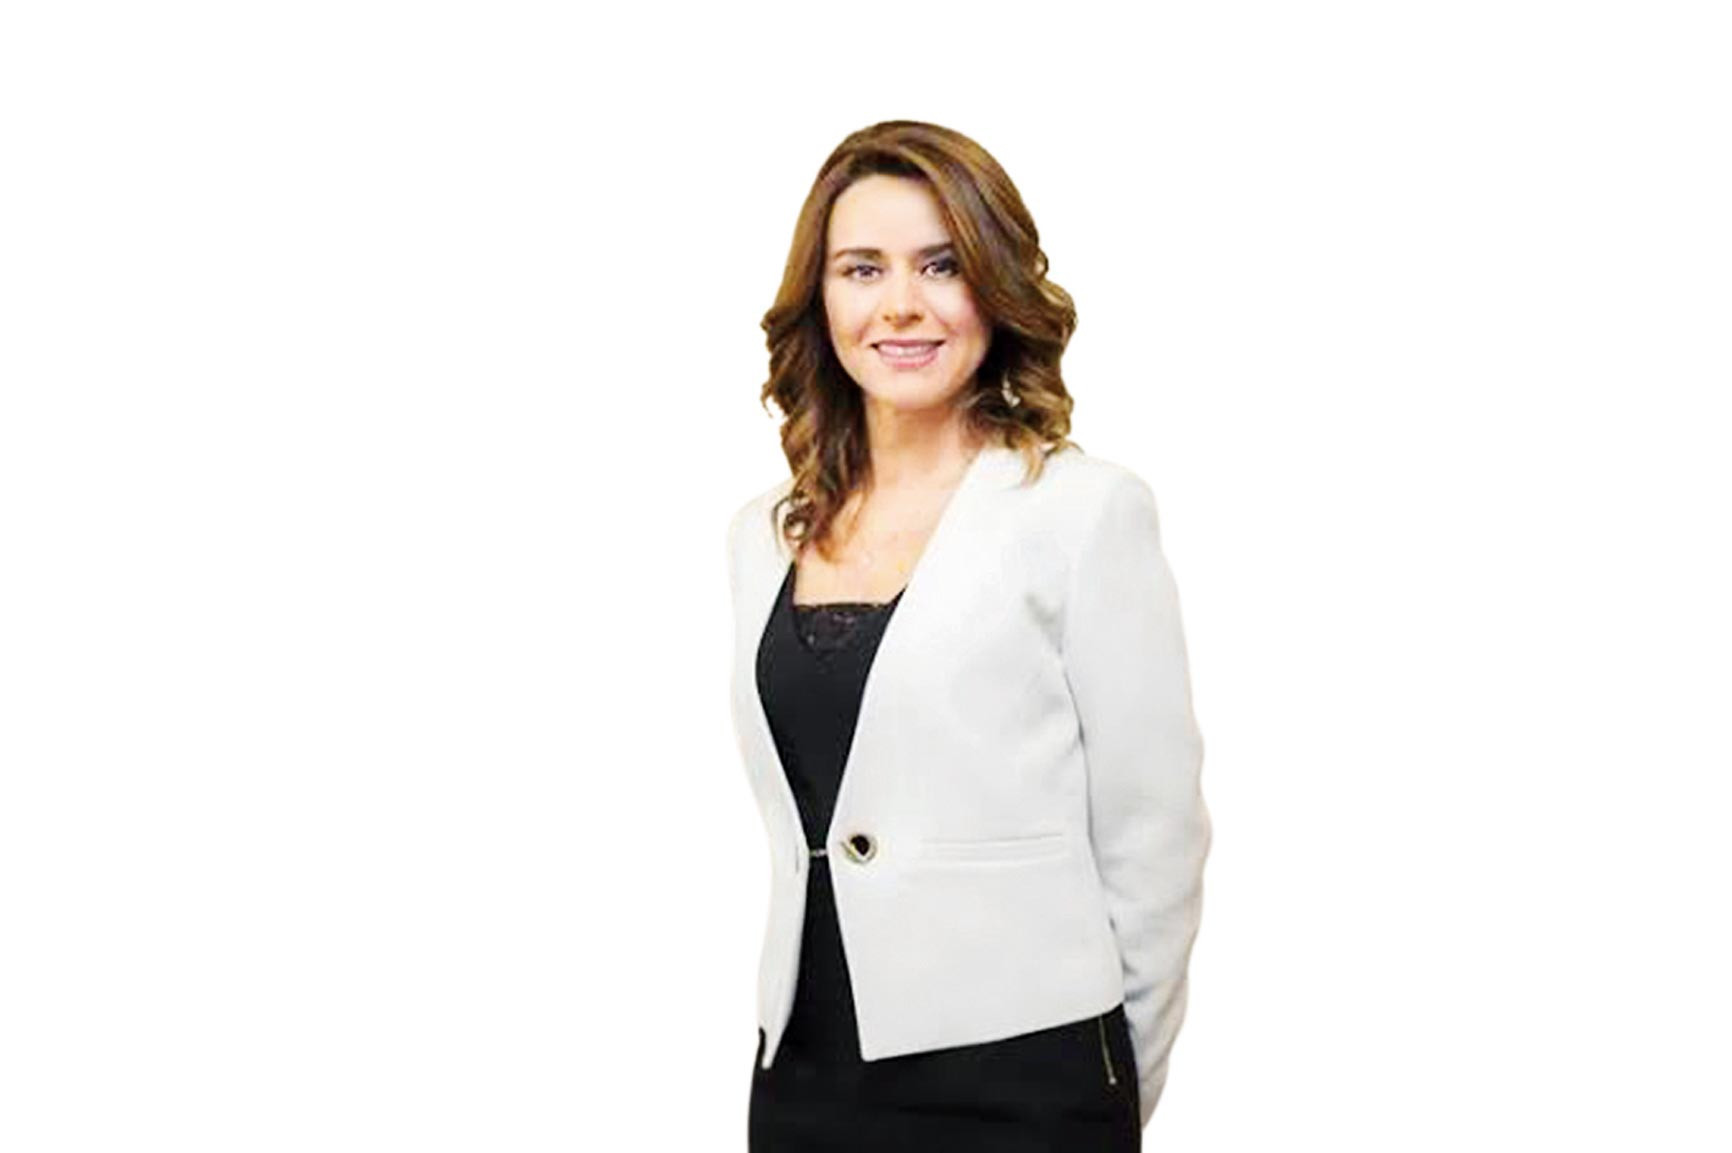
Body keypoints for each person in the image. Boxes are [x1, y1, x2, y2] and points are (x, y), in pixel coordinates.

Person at [723, 119, 1210, 1151]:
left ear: (994, 288)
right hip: (805, 1073)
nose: (900, 302)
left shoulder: (1083, 512)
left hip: (1025, 1076)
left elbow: (1154, 835)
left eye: (941, 265)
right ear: (821, 297)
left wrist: (1108, 1086)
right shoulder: (763, 534)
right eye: (862, 268)